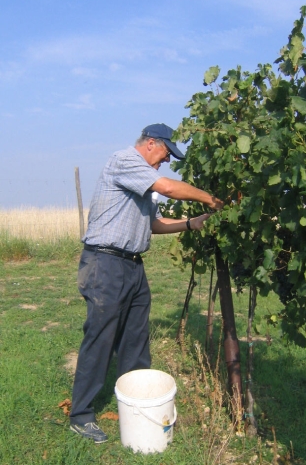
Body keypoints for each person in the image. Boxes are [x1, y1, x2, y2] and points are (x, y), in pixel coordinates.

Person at [69, 123, 224, 443]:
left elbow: (153, 223)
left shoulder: (143, 180)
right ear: (151, 143)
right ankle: (81, 415)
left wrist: (192, 223)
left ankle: (136, 404)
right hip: (105, 264)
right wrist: (210, 199)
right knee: (100, 338)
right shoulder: (124, 161)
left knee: (136, 340)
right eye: (167, 152)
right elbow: (168, 187)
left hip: (133, 267)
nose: (167, 160)